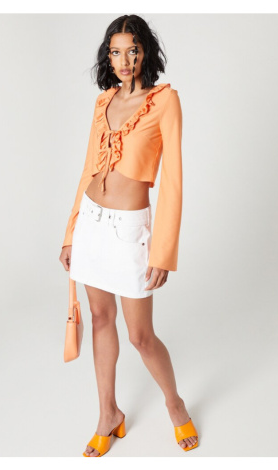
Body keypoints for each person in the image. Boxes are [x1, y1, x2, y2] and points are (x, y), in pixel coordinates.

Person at [58, 14, 199, 457]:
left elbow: (173, 180)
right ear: (108, 56)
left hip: (128, 231)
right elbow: (88, 168)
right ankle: (108, 414)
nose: (124, 60)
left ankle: (174, 404)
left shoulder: (165, 102)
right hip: (91, 224)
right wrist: (71, 231)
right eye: (116, 52)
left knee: (141, 336)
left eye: (132, 50)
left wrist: (163, 251)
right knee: (100, 319)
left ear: (145, 53)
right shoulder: (103, 102)